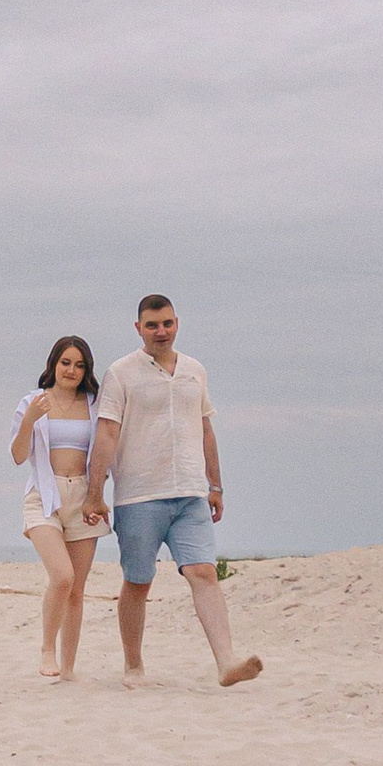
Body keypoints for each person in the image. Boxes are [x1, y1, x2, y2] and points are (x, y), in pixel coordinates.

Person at [92, 294, 263, 689]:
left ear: (177, 323)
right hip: (139, 495)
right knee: (138, 581)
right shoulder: (121, 373)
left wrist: (215, 484)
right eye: (152, 325)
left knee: (203, 572)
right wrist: (95, 491)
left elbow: (205, 428)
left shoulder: (194, 370)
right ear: (139, 328)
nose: (161, 331)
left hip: (190, 492)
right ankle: (133, 665)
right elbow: (107, 432)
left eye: (167, 323)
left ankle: (226, 662)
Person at [11, 336, 106, 679]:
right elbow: (17, 455)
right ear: (53, 364)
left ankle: (68, 668)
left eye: (79, 365)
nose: (71, 370)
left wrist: (98, 494)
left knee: (76, 589)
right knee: (62, 577)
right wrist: (30, 419)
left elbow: (107, 451)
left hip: (83, 497)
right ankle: (47, 648)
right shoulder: (32, 402)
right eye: (66, 363)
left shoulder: (94, 404)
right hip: (44, 495)